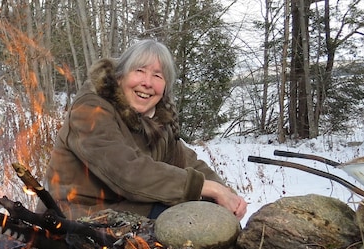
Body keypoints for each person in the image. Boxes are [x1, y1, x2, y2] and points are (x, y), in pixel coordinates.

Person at [39, 39, 247, 220]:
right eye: (139, 71)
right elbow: (126, 171)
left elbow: (186, 161)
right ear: (120, 77)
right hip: (73, 216)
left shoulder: (156, 120)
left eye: (158, 76)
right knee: (178, 216)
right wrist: (204, 187)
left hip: (124, 211)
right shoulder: (90, 109)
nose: (147, 83)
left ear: (165, 87)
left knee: (203, 213)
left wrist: (226, 194)